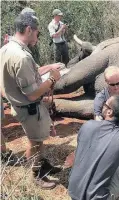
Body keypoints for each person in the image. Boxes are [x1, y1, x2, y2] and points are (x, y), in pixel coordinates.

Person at [0, 13, 62, 189]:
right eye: (37, 33)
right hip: (29, 108)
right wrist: (52, 79)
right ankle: (37, 174)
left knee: (38, 139)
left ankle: (43, 165)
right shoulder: (21, 56)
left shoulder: (6, 48)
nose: (37, 36)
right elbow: (33, 94)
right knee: (34, 142)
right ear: (28, 29)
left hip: (20, 105)